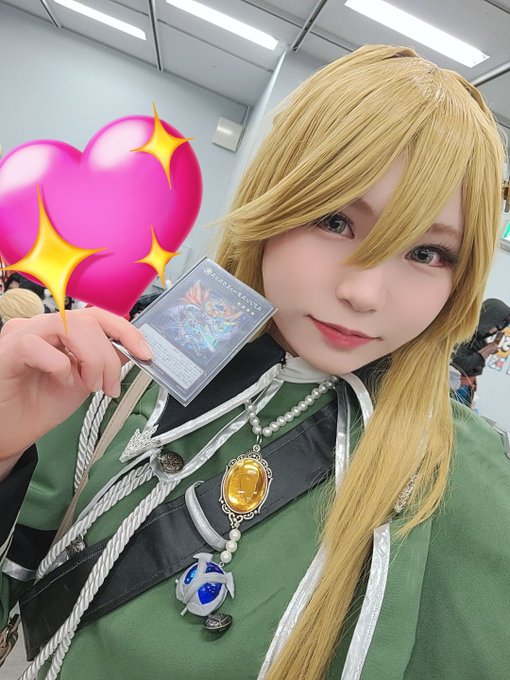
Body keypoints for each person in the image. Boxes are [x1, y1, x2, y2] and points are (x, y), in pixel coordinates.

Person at [0, 44, 508, 680]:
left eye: (428, 254)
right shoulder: (137, 373)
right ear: (273, 204)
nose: (364, 293)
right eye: (335, 221)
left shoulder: (466, 483)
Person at [451, 298, 510, 406]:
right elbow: (459, 364)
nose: (495, 330)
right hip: (452, 388)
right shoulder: (462, 333)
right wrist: (487, 351)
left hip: (464, 390)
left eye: (501, 326)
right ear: (488, 316)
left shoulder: (479, 340)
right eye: (495, 323)